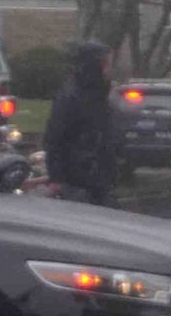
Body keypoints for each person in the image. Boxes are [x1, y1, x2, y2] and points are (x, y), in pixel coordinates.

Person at [43, 41, 119, 204]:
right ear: (95, 66)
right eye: (107, 65)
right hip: (77, 179)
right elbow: (54, 138)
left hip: (98, 178)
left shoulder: (100, 97)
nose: (110, 70)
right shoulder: (72, 97)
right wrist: (56, 178)